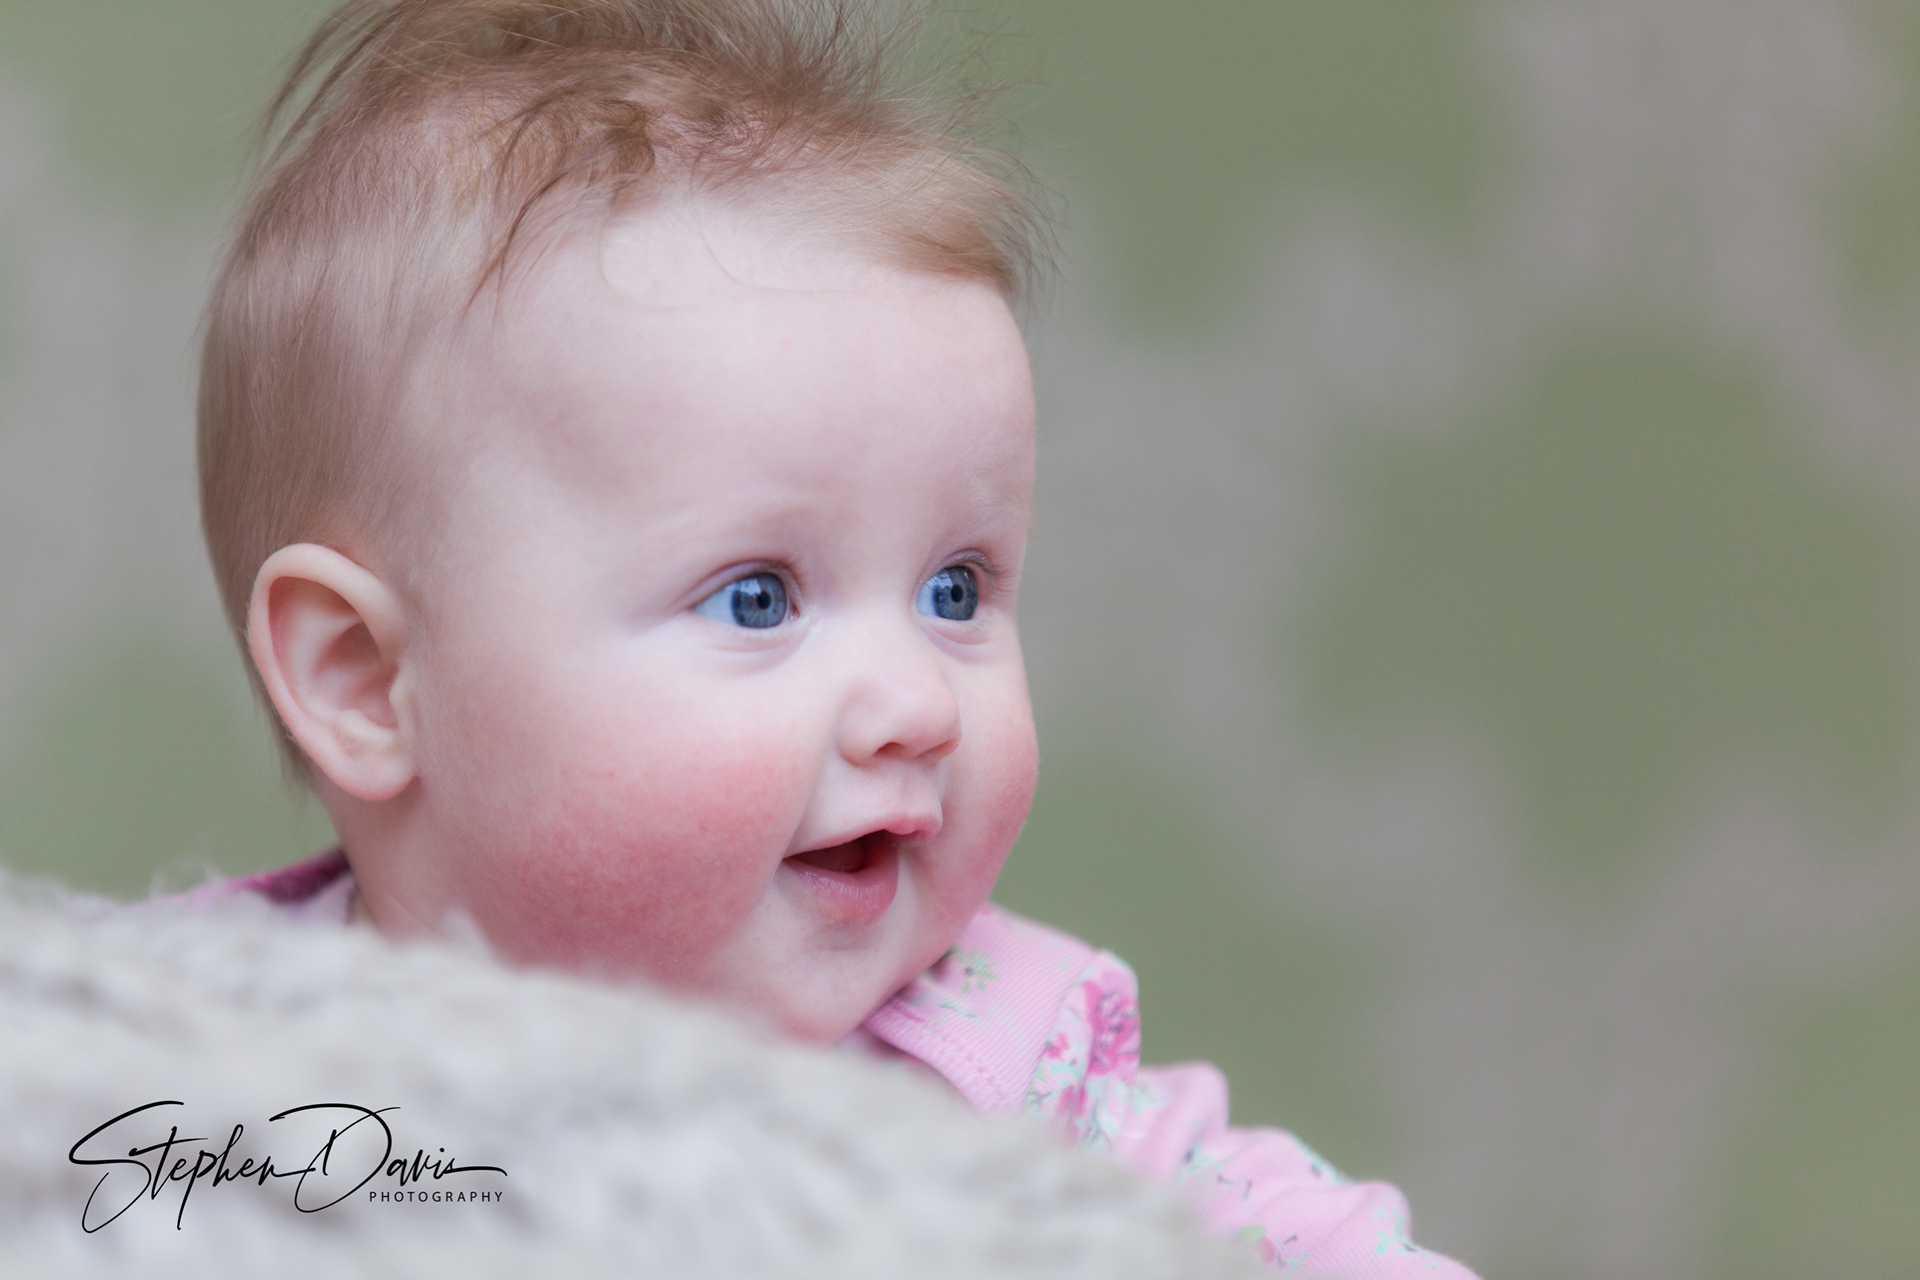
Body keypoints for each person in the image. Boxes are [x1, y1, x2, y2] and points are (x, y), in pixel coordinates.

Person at [193, 2, 1477, 1274]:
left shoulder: (1005, 1078)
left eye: (956, 590)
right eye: (758, 597)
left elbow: (1288, 1235)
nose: (919, 702)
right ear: (366, 678)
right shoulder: (186, 1070)